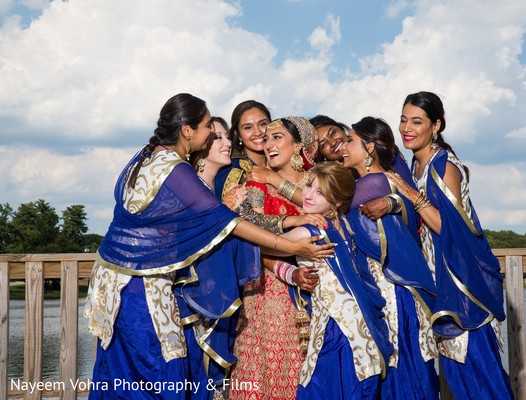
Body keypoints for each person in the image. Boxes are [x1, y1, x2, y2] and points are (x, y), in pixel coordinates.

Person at [84, 94, 334, 400]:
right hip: (142, 287)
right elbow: (228, 223)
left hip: (114, 279)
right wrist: (288, 243)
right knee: (156, 374)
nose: (213, 134)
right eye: (207, 127)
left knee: (122, 373)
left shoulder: (143, 158)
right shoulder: (176, 170)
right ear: (187, 131)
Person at [387, 91, 514, 399]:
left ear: (437, 126)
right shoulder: (415, 165)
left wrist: (411, 195)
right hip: (440, 282)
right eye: (404, 119)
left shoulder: (445, 167)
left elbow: (451, 228)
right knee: (459, 375)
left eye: (417, 122)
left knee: (479, 373)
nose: (407, 128)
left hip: (463, 285)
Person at [341, 116, 439, 399]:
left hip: (391, 288)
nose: (344, 147)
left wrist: (278, 182)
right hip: (386, 287)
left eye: (351, 141)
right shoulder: (378, 181)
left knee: (399, 366)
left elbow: (329, 204)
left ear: (369, 147)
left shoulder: (374, 182)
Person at [279, 162, 393, 400]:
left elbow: (257, 248)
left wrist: (289, 270)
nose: (308, 194)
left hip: (336, 331)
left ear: (337, 201)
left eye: (320, 192)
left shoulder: (309, 232)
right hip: (363, 330)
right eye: (309, 186)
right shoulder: (348, 224)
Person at [229, 116, 321, 400]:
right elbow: (248, 225)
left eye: (277, 137)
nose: (268, 144)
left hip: (321, 287)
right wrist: (291, 224)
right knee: (270, 370)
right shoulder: (256, 183)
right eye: (266, 139)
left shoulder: (321, 178)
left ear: (298, 146)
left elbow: (328, 208)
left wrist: (276, 180)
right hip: (269, 288)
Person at [214, 100, 271, 200]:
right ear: (238, 135)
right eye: (248, 127)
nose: (257, 132)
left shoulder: (286, 161)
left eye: (263, 124)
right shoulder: (233, 173)